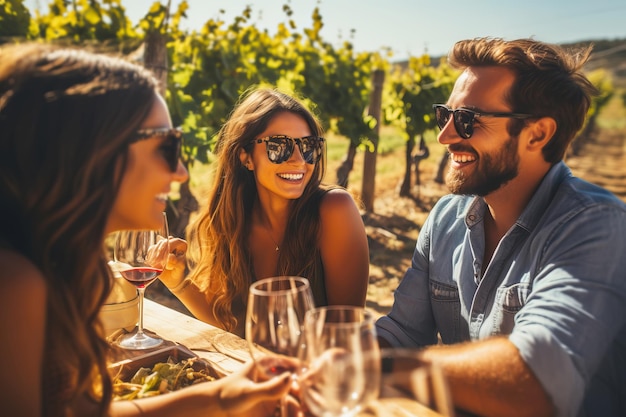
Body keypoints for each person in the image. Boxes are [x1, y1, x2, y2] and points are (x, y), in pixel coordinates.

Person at [0, 43, 292, 417]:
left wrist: (220, 400)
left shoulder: (52, 265)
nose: (182, 172)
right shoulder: (14, 283)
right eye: (167, 147)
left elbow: (78, 410)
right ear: (97, 152)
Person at [375, 37, 626, 417]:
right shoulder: (445, 219)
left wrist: (378, 370)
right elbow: (402, 333)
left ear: (537, 134)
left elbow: (537, 378)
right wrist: (331, 356)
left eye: (467, 120)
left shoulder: (597, 226)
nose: (444, 136)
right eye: (446, 115)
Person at [158, 88, 370, 337]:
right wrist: (178, 282)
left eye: (309, 146)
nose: (299, 160)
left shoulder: (334, 210)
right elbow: (229, 323)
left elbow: (347, 333)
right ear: (246, 157)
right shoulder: (234, 221)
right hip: (260, 371)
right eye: (279, 146)